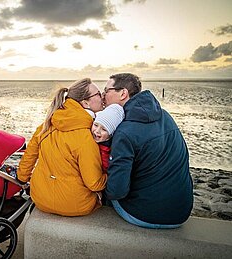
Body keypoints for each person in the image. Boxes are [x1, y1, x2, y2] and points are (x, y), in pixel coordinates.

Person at [102, 73, 193, 229]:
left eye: (106, 91)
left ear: (123, 93)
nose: (103, 96)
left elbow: (117, 191)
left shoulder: (124, 131)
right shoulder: (165, 115)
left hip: (145, 215)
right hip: (182, 212)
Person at [17, 78, 106, 216]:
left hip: (40, 198)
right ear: (85, 102)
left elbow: (29, 158)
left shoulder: (46, 125)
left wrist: (22, 179)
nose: (103, 97)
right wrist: (110, 176)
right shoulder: (86, 135)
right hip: (75, 205)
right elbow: (94, 183)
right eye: (99, 94)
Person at [90, 104, 125, 173]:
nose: (97, 131)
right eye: (96, 125)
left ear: (110, 134)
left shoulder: (110, 151)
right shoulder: (88, 137)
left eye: (104, 129)